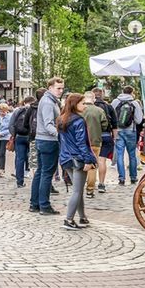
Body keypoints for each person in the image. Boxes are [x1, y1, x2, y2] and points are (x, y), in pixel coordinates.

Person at [57, 92, 97, 230]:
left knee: (77, 189)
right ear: (75, 104)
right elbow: (82, 143)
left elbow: (61, 141)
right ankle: (68, 219)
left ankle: (82, 217)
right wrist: (88, 160)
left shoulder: (62, 118)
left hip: (66, 158)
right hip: (77, 159)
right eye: (82, 103)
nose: (85, 106)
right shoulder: (78, 121)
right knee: (77, 191)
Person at [30, 77, 64, 215]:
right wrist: (59, 136)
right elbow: (48, 124)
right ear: (50, 88)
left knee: (40, 172)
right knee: (46, 174)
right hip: (48, 141)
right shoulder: (48, 102)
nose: (61, 91)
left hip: (42, 139)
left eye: (62, 88)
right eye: (58, 88)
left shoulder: (48, 100)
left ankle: (35, 203)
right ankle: (44, 205)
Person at [112, 85, 144, 185]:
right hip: (131, 131)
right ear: (131, 92)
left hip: (118, 131)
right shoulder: (134, 103)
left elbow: (111, 117)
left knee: (120, 155)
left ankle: (121, 178)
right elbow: (139, 120)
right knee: (132, 155)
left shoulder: (115, 102)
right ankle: (133, 177)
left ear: (122, 91)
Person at [81, 90, 109, 198]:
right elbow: (105, 125)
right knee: (92, 166)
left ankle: (78, 188)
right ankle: (90, 190)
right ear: (94, 99)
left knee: (80, 165)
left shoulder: (80, 110)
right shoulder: (99, 110)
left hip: (81, 142)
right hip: (95, 141)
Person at [93, 88, 117, 193]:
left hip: (92, 137)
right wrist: (114, 139)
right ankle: (101, 184)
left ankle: (91, 183)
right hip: (106, 135)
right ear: (102, 95)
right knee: (102, 161)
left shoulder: (88, 107)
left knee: (92, 160)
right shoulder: (109, 107)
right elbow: (115, 125)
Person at [9, 96, 35, 187]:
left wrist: (14, 135)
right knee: (33, 159)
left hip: (19, 137)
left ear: (24, 102)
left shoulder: (18, 111)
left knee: (20, 159)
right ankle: (35, 180)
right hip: (31, 137)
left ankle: (19, 181)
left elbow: (11, 124)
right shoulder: (34, 110)